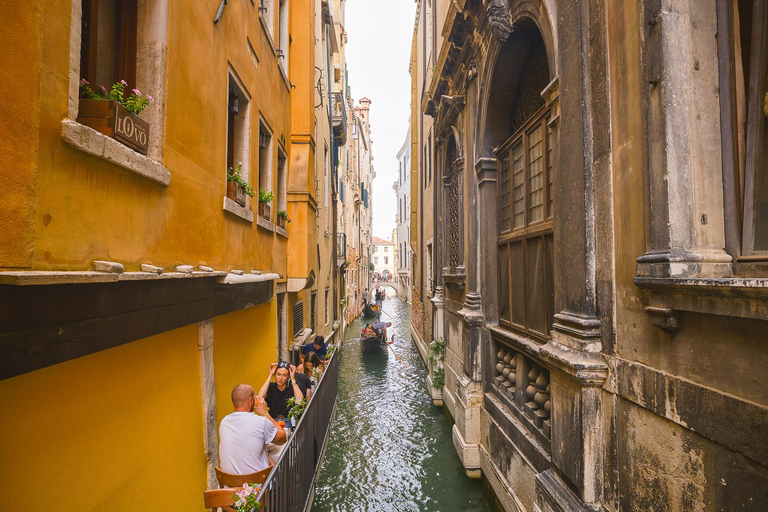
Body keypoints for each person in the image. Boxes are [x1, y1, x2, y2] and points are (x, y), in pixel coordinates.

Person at [219, 383, 286, 475]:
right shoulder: (261, 422)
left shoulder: (224, 422)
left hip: (229, 486)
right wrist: (265, 413)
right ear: (250, 400)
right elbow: (282, 439)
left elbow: (243, 448)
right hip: (257, 486)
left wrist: (266, 458)